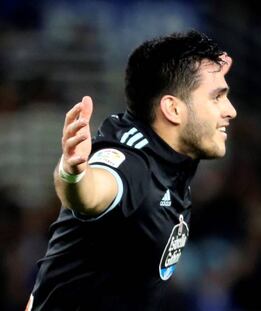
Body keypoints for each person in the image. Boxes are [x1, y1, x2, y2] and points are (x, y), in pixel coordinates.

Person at [26, 30, 237, 311]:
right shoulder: (133, 165)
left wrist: (207, 75)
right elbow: (91, 192)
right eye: (218, 98)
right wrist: (73, 173)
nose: (231, 110)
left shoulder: (172, 150)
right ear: (173, 109)